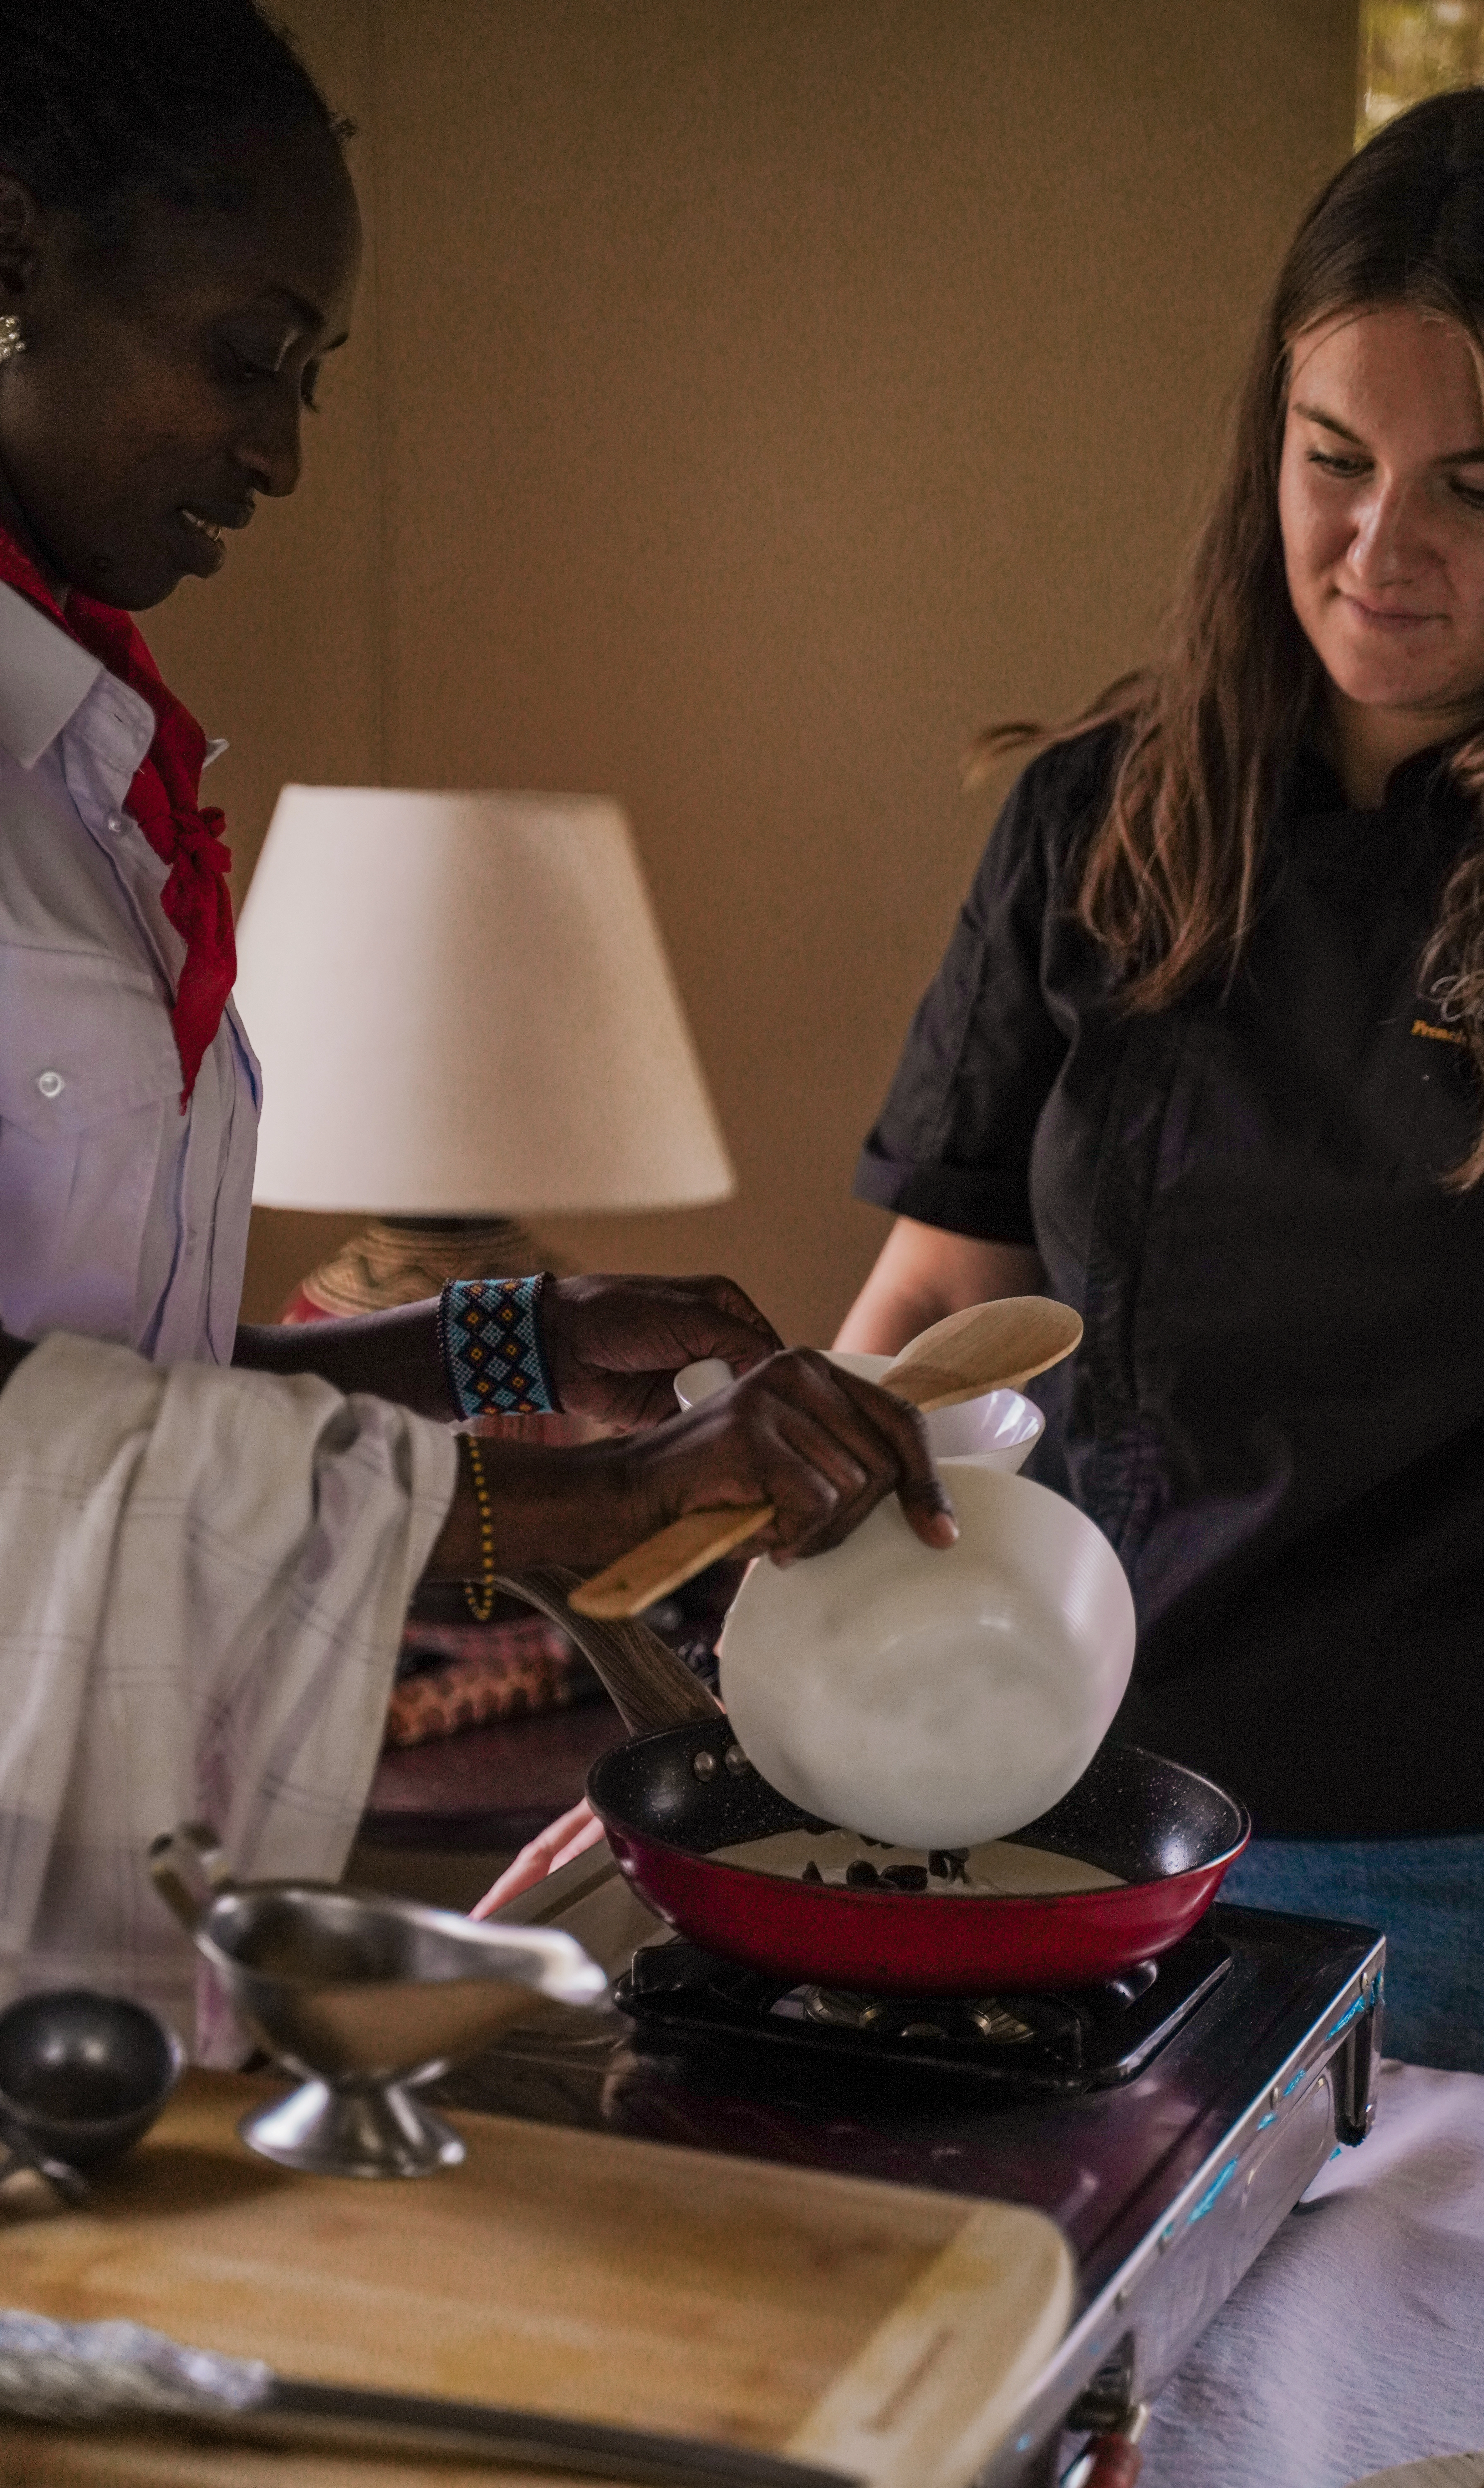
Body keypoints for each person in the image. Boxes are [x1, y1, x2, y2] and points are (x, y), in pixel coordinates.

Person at [0, 0, 953, 2027]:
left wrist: (508, 1338)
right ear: (9, 268)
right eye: (245, 359)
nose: (277, 450)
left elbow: (108, 1371)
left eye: (311, 380)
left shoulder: (73, 780)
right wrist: (591, 1510)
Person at [840, 81, 1484, 2111]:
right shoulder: (1100, 820)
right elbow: (939, 1314)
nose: (1376, 553)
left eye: (1479, 489)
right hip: (1064, 1807)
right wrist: (753, 1695)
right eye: (1330, 460)